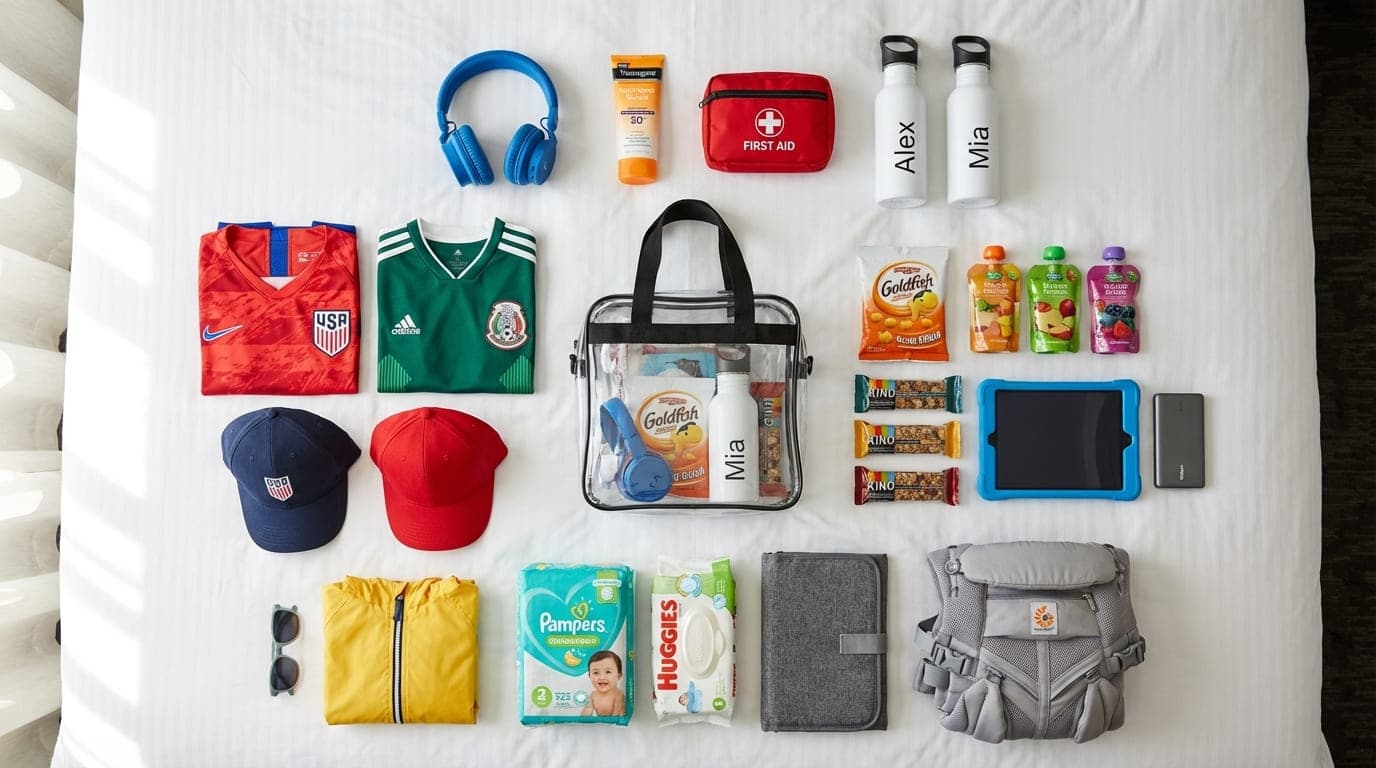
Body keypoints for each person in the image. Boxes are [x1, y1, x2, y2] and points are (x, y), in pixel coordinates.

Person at [580, 650, 626, 717]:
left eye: (608, 672)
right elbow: (585, 715)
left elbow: (617, 716)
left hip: (613, 726)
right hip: (600, 725)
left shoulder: (618, 695)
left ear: (618, 676)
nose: (601, 677)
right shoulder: (593, 695)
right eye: (596, 673)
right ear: (589, 676)